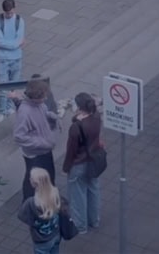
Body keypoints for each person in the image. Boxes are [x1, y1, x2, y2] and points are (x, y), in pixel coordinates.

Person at [62, 93, 102, 234]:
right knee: (93, 190)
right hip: (94, 161)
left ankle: (80, 226)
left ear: (79, 107)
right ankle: (94, 220)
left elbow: (71, 150)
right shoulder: (97, 118)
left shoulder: (76, 127)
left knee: (78, 195)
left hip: (79, 163)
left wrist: (66, 167)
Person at [13, 77, 57, 200]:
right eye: (43, 96)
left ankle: (48, 200)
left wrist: (50, 116)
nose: (46, 99)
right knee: (33, 182)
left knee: (49, 177)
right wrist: (40, 142)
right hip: (35, 154)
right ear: (35, 97)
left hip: (45, 149)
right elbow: (19, 136)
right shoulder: (24, 112)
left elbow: (43, 113)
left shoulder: (40, 105)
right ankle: (29, 204)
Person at [16, 168, 68, 254]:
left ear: (34, 183)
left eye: (31, 178)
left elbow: (22, 216)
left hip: (41, 239)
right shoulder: (55, 192)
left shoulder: (31, 202)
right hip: (56, 234)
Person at [0, 0, 25, 126]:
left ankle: (10, 107)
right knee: (2, 86)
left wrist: (2, 45)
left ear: (14, 9)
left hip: (16, 58)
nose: (9, 15)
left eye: (11, 13)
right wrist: (16, 45)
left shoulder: (19, 20)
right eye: (7, 13)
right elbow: (14, 41)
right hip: (3, 59)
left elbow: (3, 42)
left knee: (14, 85)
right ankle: (2, 111)